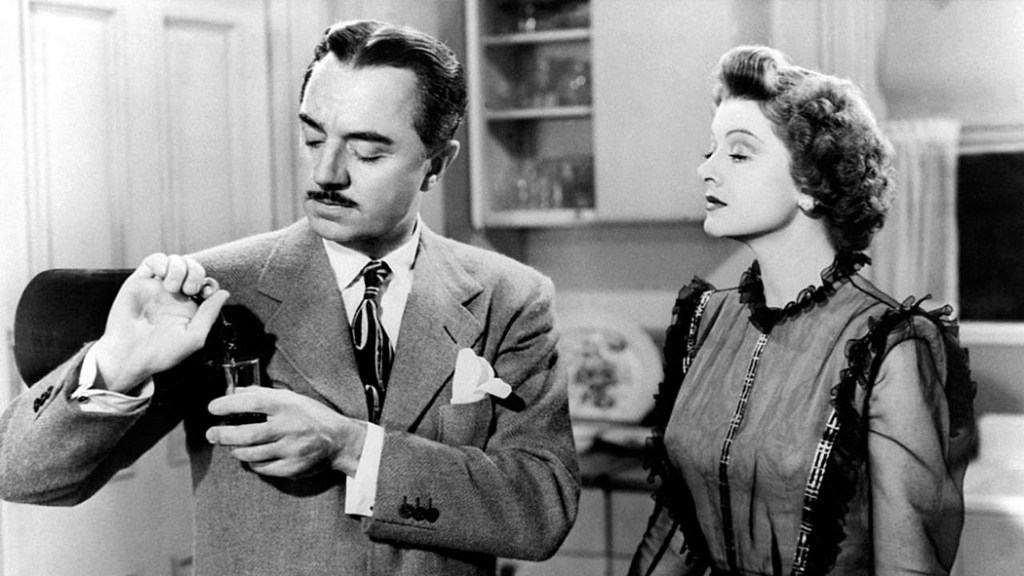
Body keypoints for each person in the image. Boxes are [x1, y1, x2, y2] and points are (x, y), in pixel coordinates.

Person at [0, 20, 579, 576]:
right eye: (313, 138)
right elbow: (21, 475)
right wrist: (114, 364)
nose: (326, 173)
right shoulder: (218, 291)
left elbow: (541, 508)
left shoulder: (509, 297)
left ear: (436, 164)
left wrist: (352, 447)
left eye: (367, 152)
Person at [629, 46, 975, 576]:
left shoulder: (888, 346)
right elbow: (678, 532)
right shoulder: (705, 321)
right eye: (710, 150)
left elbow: (908, 567)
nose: (706, 169)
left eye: (738, 154)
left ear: (811, 185)